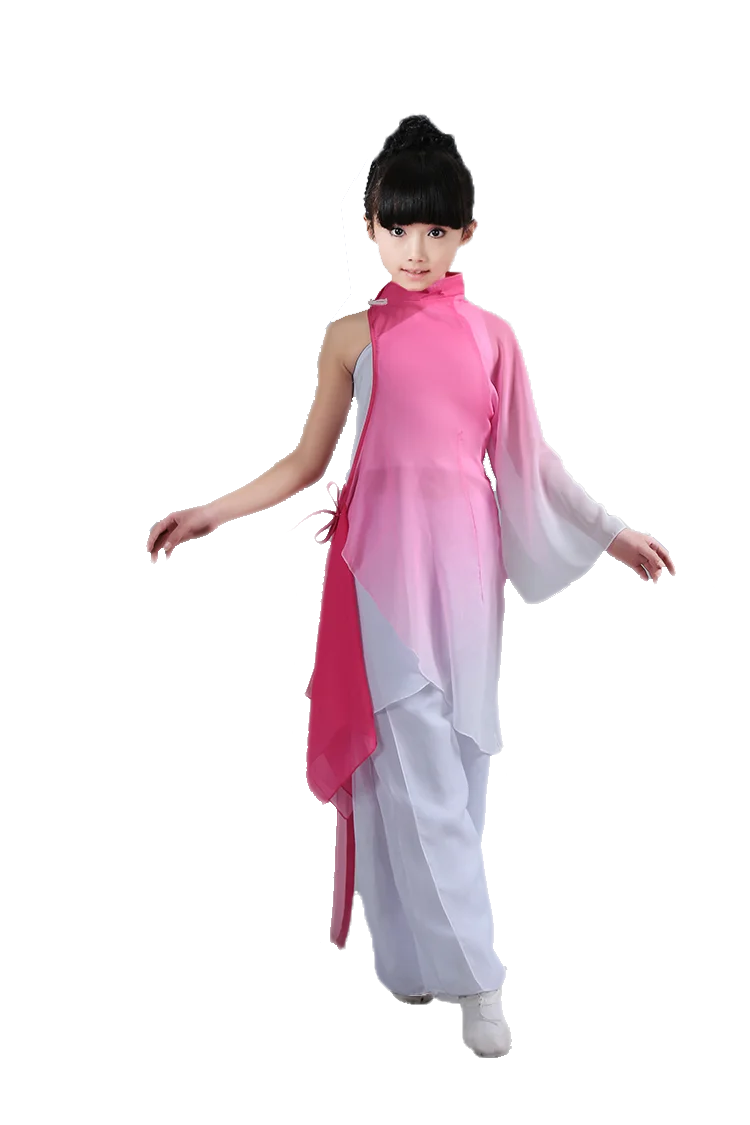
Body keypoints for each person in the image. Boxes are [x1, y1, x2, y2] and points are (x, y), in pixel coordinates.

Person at [145, 112, 676, 1058]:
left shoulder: (492, 337)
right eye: (398, 228)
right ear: (370, 228)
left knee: (457, 764)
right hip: (378, 569)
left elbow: (533, 463)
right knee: (413, 761)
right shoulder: (352, 338)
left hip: (463, 566)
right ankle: (479, 979)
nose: (417, 249)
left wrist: (611, 531)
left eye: (436, 229)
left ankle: (423, 965)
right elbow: (307, 463)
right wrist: (212, 512)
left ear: (468, 231)